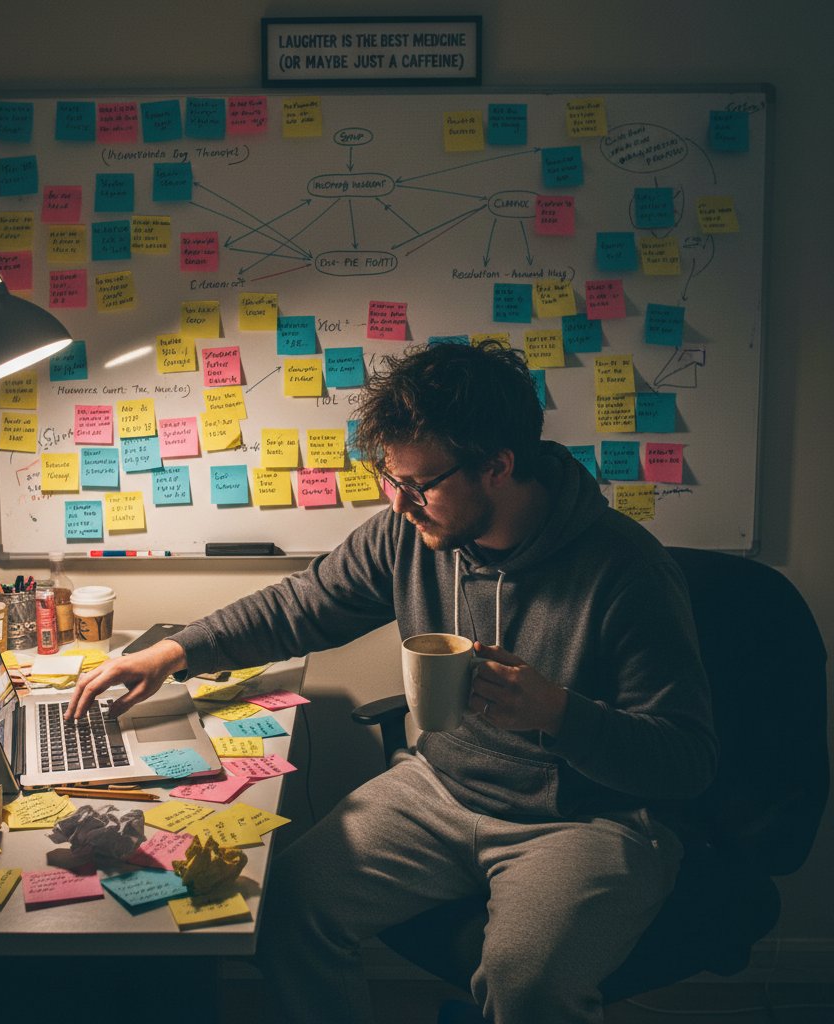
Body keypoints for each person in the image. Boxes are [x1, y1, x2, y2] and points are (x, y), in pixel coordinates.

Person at [67, 341, 717, 1024]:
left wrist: (558, 713)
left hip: (584, 815)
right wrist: (174, 650)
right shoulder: (409, 534)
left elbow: (688, 760)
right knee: (284, 905)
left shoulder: (626, 571)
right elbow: (299, 606)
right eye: (387, 476)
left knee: (525, 983)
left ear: (497, 467)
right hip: (441, 789)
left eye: (417, 484)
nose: (397, 501)